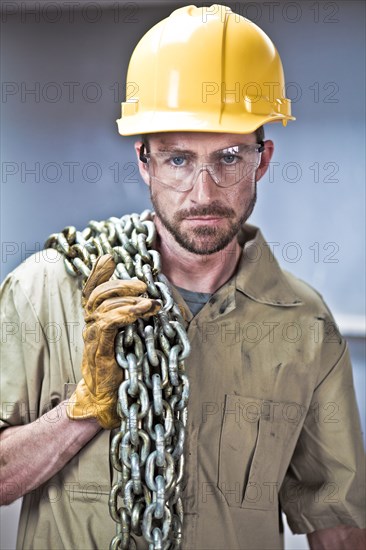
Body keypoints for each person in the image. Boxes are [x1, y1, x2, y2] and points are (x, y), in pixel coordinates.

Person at [1, 4, 365, 550]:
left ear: (262, 160)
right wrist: (84, 409)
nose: (203, 193)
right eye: (177, 160)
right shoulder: (44, 291)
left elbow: (337, 522)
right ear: (143, 161)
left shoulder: (305, 325)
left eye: (230, 157)